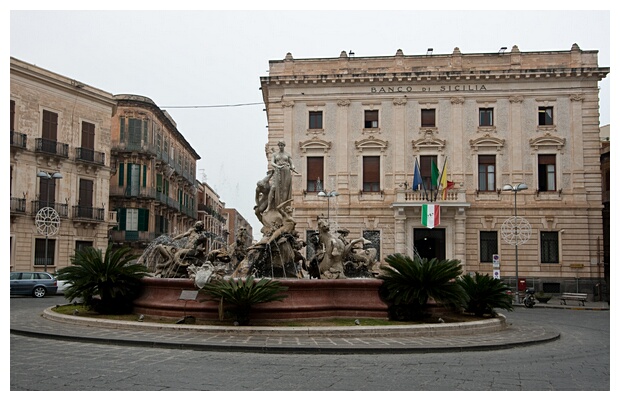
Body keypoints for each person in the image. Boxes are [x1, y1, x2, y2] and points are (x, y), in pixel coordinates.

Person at [269, 141, 297, 211]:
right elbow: (272, 162)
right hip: (278, 171)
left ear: (284, 146)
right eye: (280, 145)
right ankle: (277, 204)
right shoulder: (275, 154)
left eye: (282, 145)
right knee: (276, 188)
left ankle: (283, 206)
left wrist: (293, 167)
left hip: (286, 171)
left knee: (285, 189)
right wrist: (277, 166)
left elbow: (291, 163)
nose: (281, 147)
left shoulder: (287, 154)